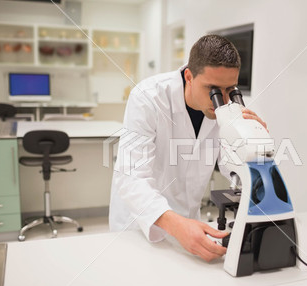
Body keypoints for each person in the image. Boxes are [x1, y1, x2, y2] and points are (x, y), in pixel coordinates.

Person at [109, 34, 267, 262]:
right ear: (189, 76)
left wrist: (254, 145)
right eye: (213, 90)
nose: (221, 100)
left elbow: (231, 168)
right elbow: (131, 176)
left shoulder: (229, 107)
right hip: (140, 223)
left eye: (230, 89)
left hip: (190, 223)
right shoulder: (148, 98)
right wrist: (176, 226)